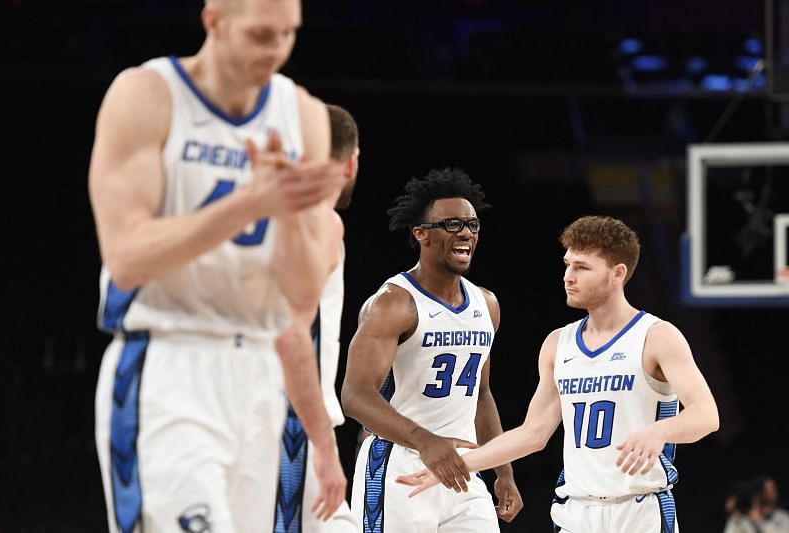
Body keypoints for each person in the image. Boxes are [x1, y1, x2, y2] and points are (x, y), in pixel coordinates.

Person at [89, 0, 349, 530]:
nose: (275, 50)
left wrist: (299, 217)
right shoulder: (147, 94)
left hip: (257, 374)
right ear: (213, 21)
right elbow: (125, 258)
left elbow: (300, 300)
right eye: (260, 35)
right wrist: (250, 203)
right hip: (169, 364)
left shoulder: (303, 115)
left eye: (287, 34)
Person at [398, 215, 720, 533]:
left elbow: (706, 415)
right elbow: (532, 434)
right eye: (568, 265)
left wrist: (660, 432)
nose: (568, 276)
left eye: (582, 267)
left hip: (639, 510)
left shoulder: (656, 336)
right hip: (576, 512)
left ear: (617, 274)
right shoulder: (558, 344)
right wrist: (459, 464)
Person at [341, 167, 523, 531]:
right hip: (400, 464)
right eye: (453, 224)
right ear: (421, 234)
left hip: (463, 467)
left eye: (472, 224)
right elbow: (355, 395)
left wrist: (503, 470)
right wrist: (425, 441)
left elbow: (482, 394)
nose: (466, 233)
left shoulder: (486, 304)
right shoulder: (393, 304)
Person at [274, 103, 361, 532]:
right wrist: (325, 446)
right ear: (350, 162)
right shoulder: (319, 222)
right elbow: (291, 334)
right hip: (286, 423)